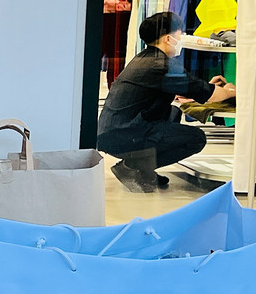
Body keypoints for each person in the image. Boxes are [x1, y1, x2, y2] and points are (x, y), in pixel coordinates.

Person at [98, 10, 235, 193]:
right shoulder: (162, 66)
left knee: (173, 112)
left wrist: (207, 87)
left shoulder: (146, 58)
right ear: (168, 39)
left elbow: (191, 87)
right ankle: (134, 166)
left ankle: (142, 169)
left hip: (112, 131)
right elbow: (210, 96)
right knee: (196, 139)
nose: (182, 39)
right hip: (123, 135)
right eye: (180, 35)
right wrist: (229, 91)